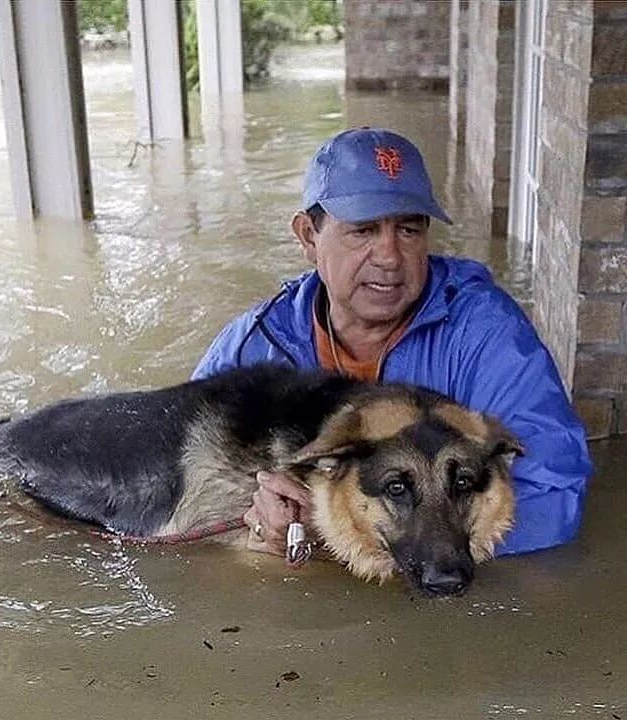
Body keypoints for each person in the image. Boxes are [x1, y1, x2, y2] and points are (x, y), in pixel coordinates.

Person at [191, 127, 592, 559]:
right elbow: (182, 481)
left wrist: (356, 538)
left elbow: (555, 495)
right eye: (363, 230)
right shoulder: (255, 344)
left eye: (408, 230)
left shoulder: (484, 332)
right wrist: (254, 514)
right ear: (308, 236)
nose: (389, 256)